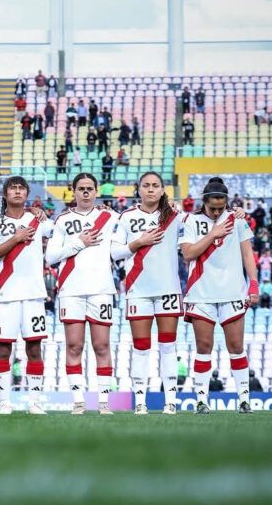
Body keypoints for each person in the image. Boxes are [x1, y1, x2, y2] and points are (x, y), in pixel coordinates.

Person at [180, 177, 258, 414]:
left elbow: (247, 254)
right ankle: (201, 401)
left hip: (232, 290)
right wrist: (213, 234)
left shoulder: (238, 220)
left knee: (236, 346)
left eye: (220, 207)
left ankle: (244, 399)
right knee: (204, 346)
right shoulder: (191, 221)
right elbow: (188, 254)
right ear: (203, 202)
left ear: (226, 202)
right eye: (212, 207)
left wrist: (253, 284)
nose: (216, 212)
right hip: (201, 292)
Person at [110, 172, 183, 415]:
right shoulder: (127, 217)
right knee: (141, 347)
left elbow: (205, 221)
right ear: (138, 189)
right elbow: (115, 252)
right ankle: (140, 401)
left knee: (168, 346)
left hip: (168, 290)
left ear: (163, 190)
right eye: (146, 185)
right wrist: (138, 242)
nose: (150, 189)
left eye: (155, 186)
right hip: (138, 289)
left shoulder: (175, 216)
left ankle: (170, 401)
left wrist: (235, 213)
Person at [46, 173, 118, 415]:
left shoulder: (111, 217)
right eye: (81, 188)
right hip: (71, 291)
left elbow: (140, 224)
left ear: (96, 191)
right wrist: (79, 242)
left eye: (89, 188)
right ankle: (78, 401)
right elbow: (50, 257)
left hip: (101, 290)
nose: (85, 192)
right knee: (74, 346)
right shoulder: (63, 219)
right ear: (73, 192)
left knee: (102, 346)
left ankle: (104, 403)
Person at [0, 177, 52, 415]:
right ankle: (5, 403)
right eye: (13, 188)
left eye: (21, 188)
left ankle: (35, 403)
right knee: (2, 350)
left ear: (27, 193)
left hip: (33, 295)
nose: (17, 191)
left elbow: (64, 228)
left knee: (34, 349)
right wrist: (15, 238)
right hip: (4, 295)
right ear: (4, 194)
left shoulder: (38, 219)